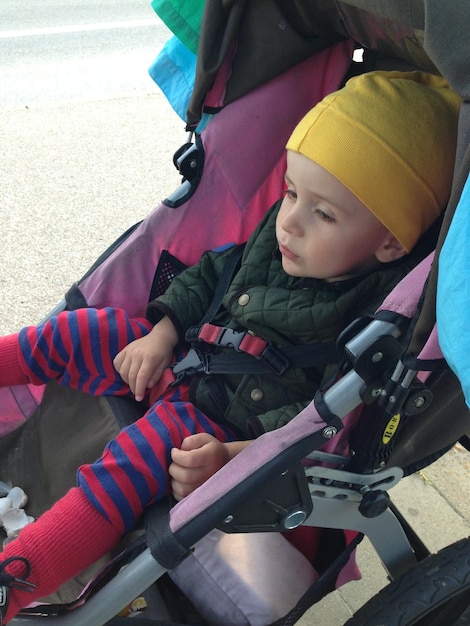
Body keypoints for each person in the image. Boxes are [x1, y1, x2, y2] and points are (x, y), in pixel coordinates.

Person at [0, 70, 460, 622]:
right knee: (85, 331)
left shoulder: (368, 322)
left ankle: (16, 579)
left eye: (324, 213)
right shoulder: (277, 240)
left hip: (222, 425)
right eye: (291, 192)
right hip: (181, 359)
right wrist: (161, 334)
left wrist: (228, 460)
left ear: (389, 242)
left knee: (136, 456)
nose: (290, 221)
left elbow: (319, 425)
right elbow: (210, 274)